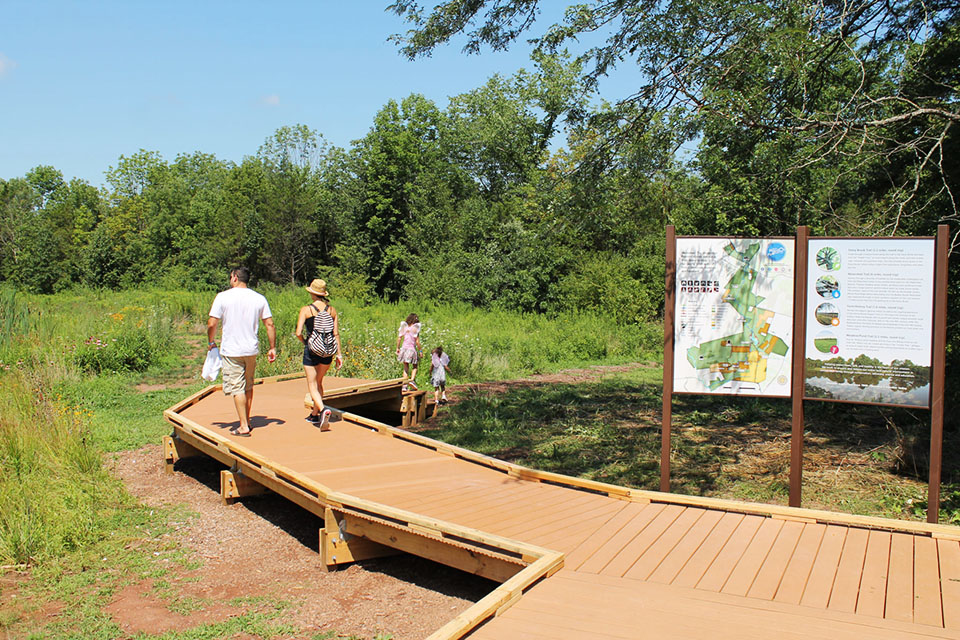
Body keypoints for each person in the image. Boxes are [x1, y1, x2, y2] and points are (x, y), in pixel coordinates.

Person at [207, 266, 276, 437]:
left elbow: (212, 323)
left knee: (237, 387)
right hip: (250, 349)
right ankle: (247, 419)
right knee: (248, 385)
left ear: (235, 277)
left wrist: (211, 341)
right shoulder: (259, 298)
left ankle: (244, 425)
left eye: (231, 277)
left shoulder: (223, 297)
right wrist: (272, 347)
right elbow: (269, 324)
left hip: (232, 350)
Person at [295, 278, 343, 431]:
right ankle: (314, 414)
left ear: (312, 293)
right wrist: (339, 354)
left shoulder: (306, 310)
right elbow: (336, 334)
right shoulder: (332, 310)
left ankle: (322, 410)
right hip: (327, 350)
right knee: (319, 382)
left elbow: (298, 333)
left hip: (312, 349)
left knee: (312, 384)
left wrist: (305, 342)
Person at [396, 313, 422, 390]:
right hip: (411, 349)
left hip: (404, 349)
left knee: (405, 367)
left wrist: (397, 348)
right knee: (415, 366)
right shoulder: (415, 329)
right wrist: (420, 351)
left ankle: (404, 385)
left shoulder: (405, 327)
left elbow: (399, 338)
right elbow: (417, 342)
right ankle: (412, 380)